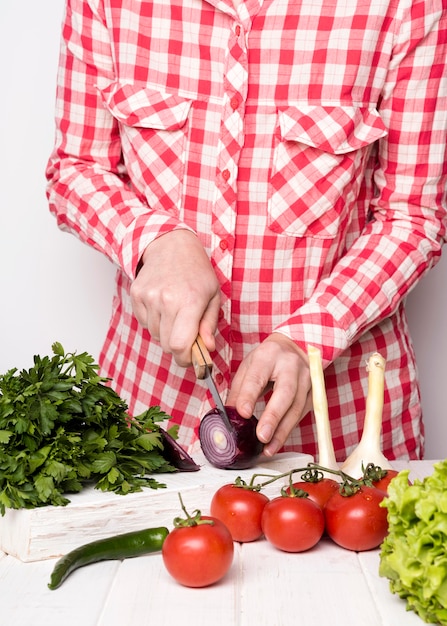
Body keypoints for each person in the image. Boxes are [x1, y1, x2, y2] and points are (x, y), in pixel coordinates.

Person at [46, 0, 447, 463]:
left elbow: (413, 216)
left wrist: (307, 340)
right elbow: (76, 168)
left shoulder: (404, 8)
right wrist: (155, 240)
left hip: (343, 432)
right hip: (147, 416)